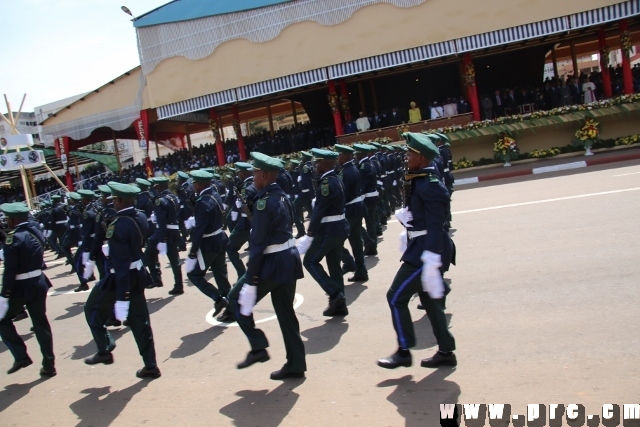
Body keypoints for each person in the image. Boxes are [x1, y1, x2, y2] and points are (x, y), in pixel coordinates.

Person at [377, 133, 456, 370]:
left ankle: (403, 350)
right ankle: (446, 351)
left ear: (421, 158)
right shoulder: (420, 180)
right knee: (431, 302)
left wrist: (431, 260)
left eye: (410, 154)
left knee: (395, 297)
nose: (406, 158)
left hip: (426, 252)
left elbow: (436, 225)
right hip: (422, 248)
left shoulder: (429, 185)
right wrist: (408, 222)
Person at [228, 152, 306, 380]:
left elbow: (258, 245)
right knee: (286, 313)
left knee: (235, 298)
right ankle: (296, 363)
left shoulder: (263, 203)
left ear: (263, 175)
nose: (252, 177)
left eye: (254, 173)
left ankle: (258, 346)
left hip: (272, 263)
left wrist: (251, 281)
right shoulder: (281, 196)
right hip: (288, 259)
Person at [83, 182, 160, 379]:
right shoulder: (140, 216)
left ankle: (104, 349)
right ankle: (150, 365)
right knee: (141, 322)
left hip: (120, 278)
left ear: (117, 200)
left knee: (92, 308)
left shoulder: (118, 224)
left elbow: (121, 264)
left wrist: (122, 296)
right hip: (137, 273)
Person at [0, 202, 56, 377]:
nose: (7, 221)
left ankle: (21, 355)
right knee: (41, 324)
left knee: (2, 320)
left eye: (8, 218)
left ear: (14, 219)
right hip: (38, 282)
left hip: (21, 286)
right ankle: (49, 364)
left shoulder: (13, 238)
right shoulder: (35, 232)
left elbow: (10, 270)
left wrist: (4, 295)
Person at [298, 148, 350, 316]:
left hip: (329, 230)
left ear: (326, 163)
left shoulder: (327, 183)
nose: (315, 165)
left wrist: (309, 235)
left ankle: (335, 294)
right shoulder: (334, 178)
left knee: (310, 261)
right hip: (338, 227)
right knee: (334, 266)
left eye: (318, 162)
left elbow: (319, 211)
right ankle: (339, 305)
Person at [184, 170, 231, 318]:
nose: (193, 186)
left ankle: (218, 299)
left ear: (199, 184)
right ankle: (231, 308)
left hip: (209, 243)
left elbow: (199, 231)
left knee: (193, 275)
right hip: (219, 238)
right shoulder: (213, 194)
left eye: (194, 184)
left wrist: (193, 252)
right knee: (221, 275)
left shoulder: (202, 202)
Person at [145, 177, 183, 295]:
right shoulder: (173, 197)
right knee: (174, 259)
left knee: (148, 254)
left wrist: (161, 239)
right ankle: (178, 285)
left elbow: (162, 222)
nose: (156, 189)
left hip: (163, 232)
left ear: (160, 187)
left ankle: (156, 278)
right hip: (174, 230)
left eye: (156, 187)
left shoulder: (160, 201)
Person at [335, 144, 368, 282]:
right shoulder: (352, 167)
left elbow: (344, 194)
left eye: (339, 156)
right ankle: (361, 271)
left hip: (350, 209)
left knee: (335, 241)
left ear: (345, 156)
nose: (337, 159)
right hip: (357, 208)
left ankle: (348, 262)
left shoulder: (346, 172)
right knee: (356, 242)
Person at [226, 163, 257, 279]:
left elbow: (245, 206)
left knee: (230, 247)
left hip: (246, 222)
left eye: (239, 172)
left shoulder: (246, 186)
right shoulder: (255, 183)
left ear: (243, 173)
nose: (237, 175)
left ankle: (242, 275)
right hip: (255, 221)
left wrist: (237, 208)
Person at [354, 144, 379, 256]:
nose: (355, 156)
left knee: (356, 222)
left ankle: (369, 243)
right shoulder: (368, 163)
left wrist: (356, 196)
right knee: (370, 223)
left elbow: (362, 185)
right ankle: (372, 248)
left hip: (367, 198)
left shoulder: (364, 166)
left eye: (356, 154)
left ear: (361, 154)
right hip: (372, 197)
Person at [293, 151, 315, 238]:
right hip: (308, 194)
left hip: (305, 193)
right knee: (313, 212)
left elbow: (308, 182)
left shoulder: (306, 167)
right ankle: (317, 229)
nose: (301, 159)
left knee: (293, 208)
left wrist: (313, 196)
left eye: (302, 157)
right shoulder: (310, 166)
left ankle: (301, 231)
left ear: (305, 158)